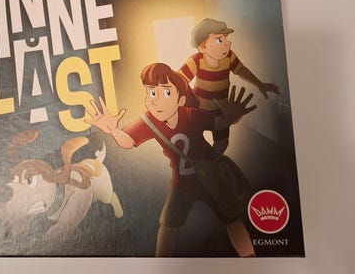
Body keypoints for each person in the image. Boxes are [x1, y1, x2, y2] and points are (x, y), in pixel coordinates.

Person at [85, 62, 256, 257]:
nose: (157, 100)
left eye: (166, 92)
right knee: (167, 227)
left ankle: (251, 260)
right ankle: (163, 265)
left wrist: (231, 118)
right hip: (181, 183)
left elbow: (218, 123)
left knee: (231, 220)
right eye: (151, 92)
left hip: (210, 178)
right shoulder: (149, 121)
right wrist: (113, 130)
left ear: (181, 99)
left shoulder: (190, 115)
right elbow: (129, 141)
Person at [179, 18, 279, 154]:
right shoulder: (196, 61)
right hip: (199, 110)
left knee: (222, 142)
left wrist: (259, 84)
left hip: (222, 110)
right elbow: (179, 81)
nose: (227, 43)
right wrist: (184, 102)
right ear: (202, 47)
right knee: (194, 139)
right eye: (219, 40)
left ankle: (211, 162)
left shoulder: (229, 57)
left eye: (225, 39)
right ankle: (199, 160)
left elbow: (241, 70)